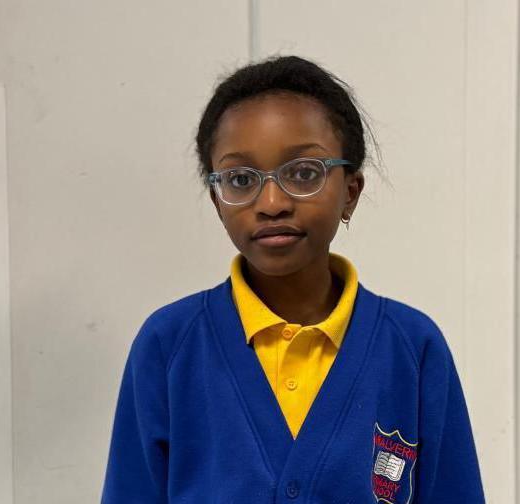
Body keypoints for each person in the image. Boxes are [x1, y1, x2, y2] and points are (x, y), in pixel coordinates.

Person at [101, 55, 484, 503]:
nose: (271, 202)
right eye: (241, 178)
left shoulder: (414, 348)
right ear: (216, 200)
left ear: (350, 192)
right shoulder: (168, 344)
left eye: (304, 173)